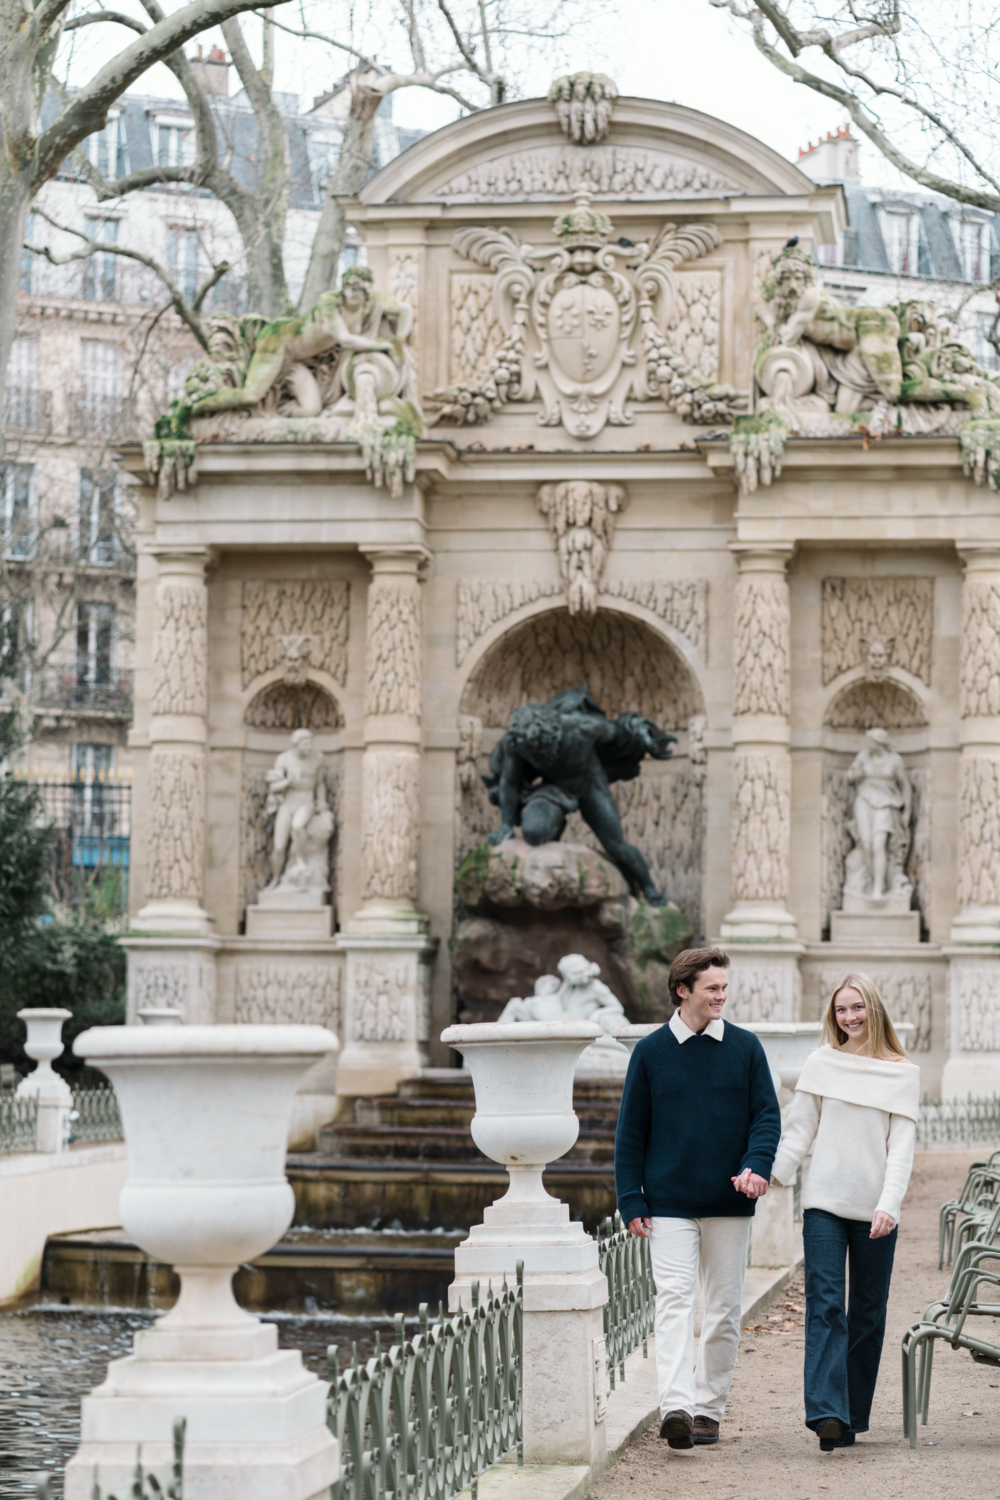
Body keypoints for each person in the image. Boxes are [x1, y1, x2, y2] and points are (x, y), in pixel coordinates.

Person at [614, 947, 780, 1450]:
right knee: (675, 1302)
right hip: (667, 1203)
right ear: (683, 990)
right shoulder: (650, 1053)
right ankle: (677, 1407)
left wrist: (757, 1165)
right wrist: (630, 1199)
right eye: (712, 988)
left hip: (729, 1203)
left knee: (725, 1308)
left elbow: (766, 1118)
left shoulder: (746, 1048)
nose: (721, 997)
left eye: (724, 988)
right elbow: (630, 1134)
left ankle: (708, 1409)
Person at [770, 972, 920, 1452]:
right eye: (840, 1010)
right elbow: (799, 1130)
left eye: (857, 1008)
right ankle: (828, 1413)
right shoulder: (821, 1063)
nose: (849, 1017)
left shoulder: (902, 1072)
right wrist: (772, 1175)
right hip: (824, 1207)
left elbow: (901, 1148)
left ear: (873, 1009)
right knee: (826, 1304)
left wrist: (888, 1204)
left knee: (868, 1314)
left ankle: (852, 1414)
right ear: (832, 1016)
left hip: (875, 1211)